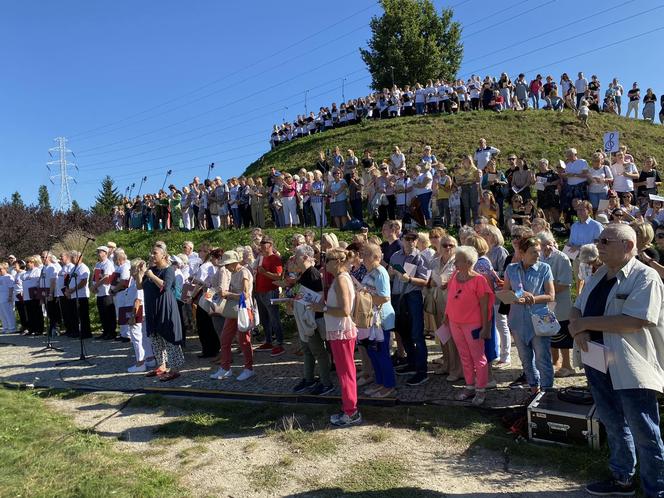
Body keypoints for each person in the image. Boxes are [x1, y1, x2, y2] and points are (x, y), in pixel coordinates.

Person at [569, 224, 664, 497]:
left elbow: (635, 320)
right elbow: (577, 306)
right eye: (599, 240)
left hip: (632, 365)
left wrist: (584, 323)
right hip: (597, 357)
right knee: (612, 421)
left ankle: (655, 489)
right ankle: (622, 478)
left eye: (606, 240)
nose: (599, 244)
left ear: (628, 246)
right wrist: (578, 326)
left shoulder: (646, 277)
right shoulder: (600, 274)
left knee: (644, 429)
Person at [503, 237, 556, 393]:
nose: (537, 255)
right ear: (522, 253)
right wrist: (513, 298)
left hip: (540, 320)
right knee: (525, 359)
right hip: (517, 321)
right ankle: (534, 388)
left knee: (543, 359)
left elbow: (551, 295)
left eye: (538, 252)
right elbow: (505, 292)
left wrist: (532, 299)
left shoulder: (544, 268)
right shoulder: (511, 269)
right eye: (533, 252)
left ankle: (547, 392)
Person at [315, 248, 361, 427]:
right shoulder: (340, 278)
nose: (324, 265)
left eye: (327, 261)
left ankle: (351, 411)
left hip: (342, 331)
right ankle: (349, 407)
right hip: (338, 331)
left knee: (346, 372)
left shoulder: (342, 279)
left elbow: (345, 310)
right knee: (345, 371)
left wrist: (323, 309)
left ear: (337, 262)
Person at [445, 246, 494, 406]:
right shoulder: (455, 275)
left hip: (473, 325)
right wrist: (446, 317)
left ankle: (480, 390)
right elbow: (451, 298)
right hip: (455, 322)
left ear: (468, 262)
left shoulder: (479, 280)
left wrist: (486, 328)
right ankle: (469, 386)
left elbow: (485, 306)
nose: (454, 264)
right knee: (464, 356)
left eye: (457, 261)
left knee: (478, 357)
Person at [291, 244, 333, 395]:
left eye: (296, 255)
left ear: (304, 257)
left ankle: (326, 382)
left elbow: (320, 298)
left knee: (318, 352)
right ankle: (308, 378)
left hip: (312, 319)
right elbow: (298, 293)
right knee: (307, 350)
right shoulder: (304, 274)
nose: (294, 258)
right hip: (303, 318)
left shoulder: (313, 274)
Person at [388, 231, 430, 386]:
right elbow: (390, 276)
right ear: (402, 239)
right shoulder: (395, 256)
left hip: (413, 296)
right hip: (398, 296)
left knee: (417, 333)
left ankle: (422, 371)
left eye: (413, 239)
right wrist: (391, 273)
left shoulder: (421, 257)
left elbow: (425, 281)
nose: (410, 241)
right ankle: (412, 363)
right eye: (407, 239)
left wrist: (410, 279)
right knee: (402, 330)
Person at [139, 245, 184, 382]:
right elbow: (140, 286)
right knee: (155, 338)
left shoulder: (169, 270)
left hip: (165, 307)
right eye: (151, 252)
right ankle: (161, 366)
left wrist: (151, 276)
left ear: (164, 255)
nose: (152, 255)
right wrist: (140, 274)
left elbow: (165, 286)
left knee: (169, 337)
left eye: (155, 253)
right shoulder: (151, 270)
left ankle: (175, 369)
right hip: (152, 308)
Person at [210, 250, 255, 381]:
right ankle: (225, 368)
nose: (226, 267)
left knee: (244, 341)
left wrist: (227, 294)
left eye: (227, 264)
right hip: (234, 310)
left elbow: (245, 295)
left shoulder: (244, 272)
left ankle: (248, 369)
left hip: (243, 309)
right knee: (225, 339)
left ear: (234, 262)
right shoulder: (234, 272)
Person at [360, 243, 397, 398]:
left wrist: (363, 297)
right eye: (362, 254)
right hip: (370, 319)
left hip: (381, 319)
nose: (362, 257)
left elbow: (384, 297)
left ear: (376, 256)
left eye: (366, 254)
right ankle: (380, 382)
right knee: (373, 352)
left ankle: (389, 385)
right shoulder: (369, 272)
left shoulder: (380, 272)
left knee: (382, 353)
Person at [537, 232, 575, 378]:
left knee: (563, 335)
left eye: (549, 243)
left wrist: (544, 291)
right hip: (546, 304)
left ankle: (567, 365)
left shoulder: (562, 258)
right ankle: (555, 363)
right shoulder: (540, 257)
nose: (547, 247)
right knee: (549, 333)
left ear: (554, 243)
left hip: (560, 303)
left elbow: (565, 284)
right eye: (543, 244)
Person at [254, 236, 286, 356]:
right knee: (264, 318)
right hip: (260, 291)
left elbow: (279, 276)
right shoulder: (262, 257)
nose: (261, 245)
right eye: (261, 243)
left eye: (264, 243)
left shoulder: (275, 258)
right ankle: (268, 341)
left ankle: (279, 342)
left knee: (274, 317)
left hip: (270, 291)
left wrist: (264, 273)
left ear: (270, 245)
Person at [124, 259, 155, 373]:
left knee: (136, 336)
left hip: (137, 310)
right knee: (144, 336)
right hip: (140, 310)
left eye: (131, 268)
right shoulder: (134, 280)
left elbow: (138, 299)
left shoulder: (139, 279)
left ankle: (140, 362)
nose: (129, 270)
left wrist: (133, 315)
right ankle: (150, 358)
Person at [64, 251, 92, 339]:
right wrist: (68, 290)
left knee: (83, 315)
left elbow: (83, 282)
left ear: (78, 257)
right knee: (74, 314)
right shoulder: (73, 268)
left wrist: (73, 289)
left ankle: (86, 333)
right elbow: (69, 280)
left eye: (72, 257)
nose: (71, 259)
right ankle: (76, 331)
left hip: (81, 295)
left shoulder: (83, 268)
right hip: (73, 295)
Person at [92, 246, 117, 340]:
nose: (98, 253)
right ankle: (105, 331)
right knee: (102, 313)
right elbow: (95, 276)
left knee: (109, 313)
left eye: (100, 252)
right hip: (99, 292)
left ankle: (111, 332)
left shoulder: (108, 264)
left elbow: (106, 277)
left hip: (106, 292)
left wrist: (95, 286)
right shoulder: (98, 264)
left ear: (105, 253)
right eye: (97, 252)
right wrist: (93, 286)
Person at [0, 263, 16, 333]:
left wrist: (10, 296)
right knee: (2, 313)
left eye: (0, 269)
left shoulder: (9, 276)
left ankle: (12, 327)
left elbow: (11, 287)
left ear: (5, 269)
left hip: (6, 296)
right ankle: (5, 327)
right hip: (0, 296)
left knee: (8, 312)